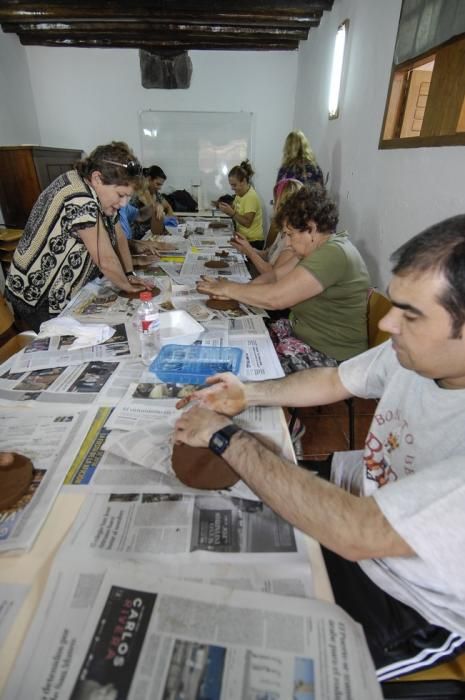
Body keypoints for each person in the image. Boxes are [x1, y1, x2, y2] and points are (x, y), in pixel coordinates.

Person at [174, 214, 465, 681]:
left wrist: (227, 436)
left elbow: (360, 534)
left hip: (406, 598)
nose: (387, 322)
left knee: (244, 656)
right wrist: (248, 393)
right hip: (359, 503)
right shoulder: (410, 357)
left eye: (410, 314)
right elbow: (333, 379)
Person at [198, 184, 370, 372]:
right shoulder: (316, 249)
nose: (287, 242)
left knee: (241, 370)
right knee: (234, 342)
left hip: (332, 355)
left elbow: (276, 298)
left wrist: (228, 288)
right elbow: (274, 277)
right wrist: (237, 292)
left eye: (290, 234)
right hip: (302, 334)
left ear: (311, 229)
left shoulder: (333, 253)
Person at [5, 142, 152, 332]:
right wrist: (127, 287)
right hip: (39, 296)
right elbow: (105, 259)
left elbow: (119, 235)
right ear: (98, 178)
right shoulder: (79, 197)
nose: (123, 204)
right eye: (120, 195)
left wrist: (129, 274)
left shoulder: (99, 194)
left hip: (62, 291)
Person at [231, 178, 302, 278]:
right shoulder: (283, 230)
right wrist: (246, 247)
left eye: (274, 202)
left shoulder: (294, 237)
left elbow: (272, 274)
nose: (274, 207)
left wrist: (250, 252)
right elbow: (267, 255)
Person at [217, 160, 264, 249]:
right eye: (231, 185)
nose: (232, 188)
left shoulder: (251, 197)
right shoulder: (240, 194)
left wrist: (232, 213)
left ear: (243, 181)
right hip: (243, 238)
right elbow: (235, 208)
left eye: (234, 185)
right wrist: (224, 207)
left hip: (253, 242)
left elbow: (247, 223)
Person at [144, 165, 174, 235]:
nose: (160, 188)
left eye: (161, 185)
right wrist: (158, 206)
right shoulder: (142, 192)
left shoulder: (156, 193)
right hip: (140, 236)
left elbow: (168, 207)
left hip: (152, 233)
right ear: (149, 179)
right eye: (157, 184)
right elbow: (152, 205)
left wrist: (170, 220)